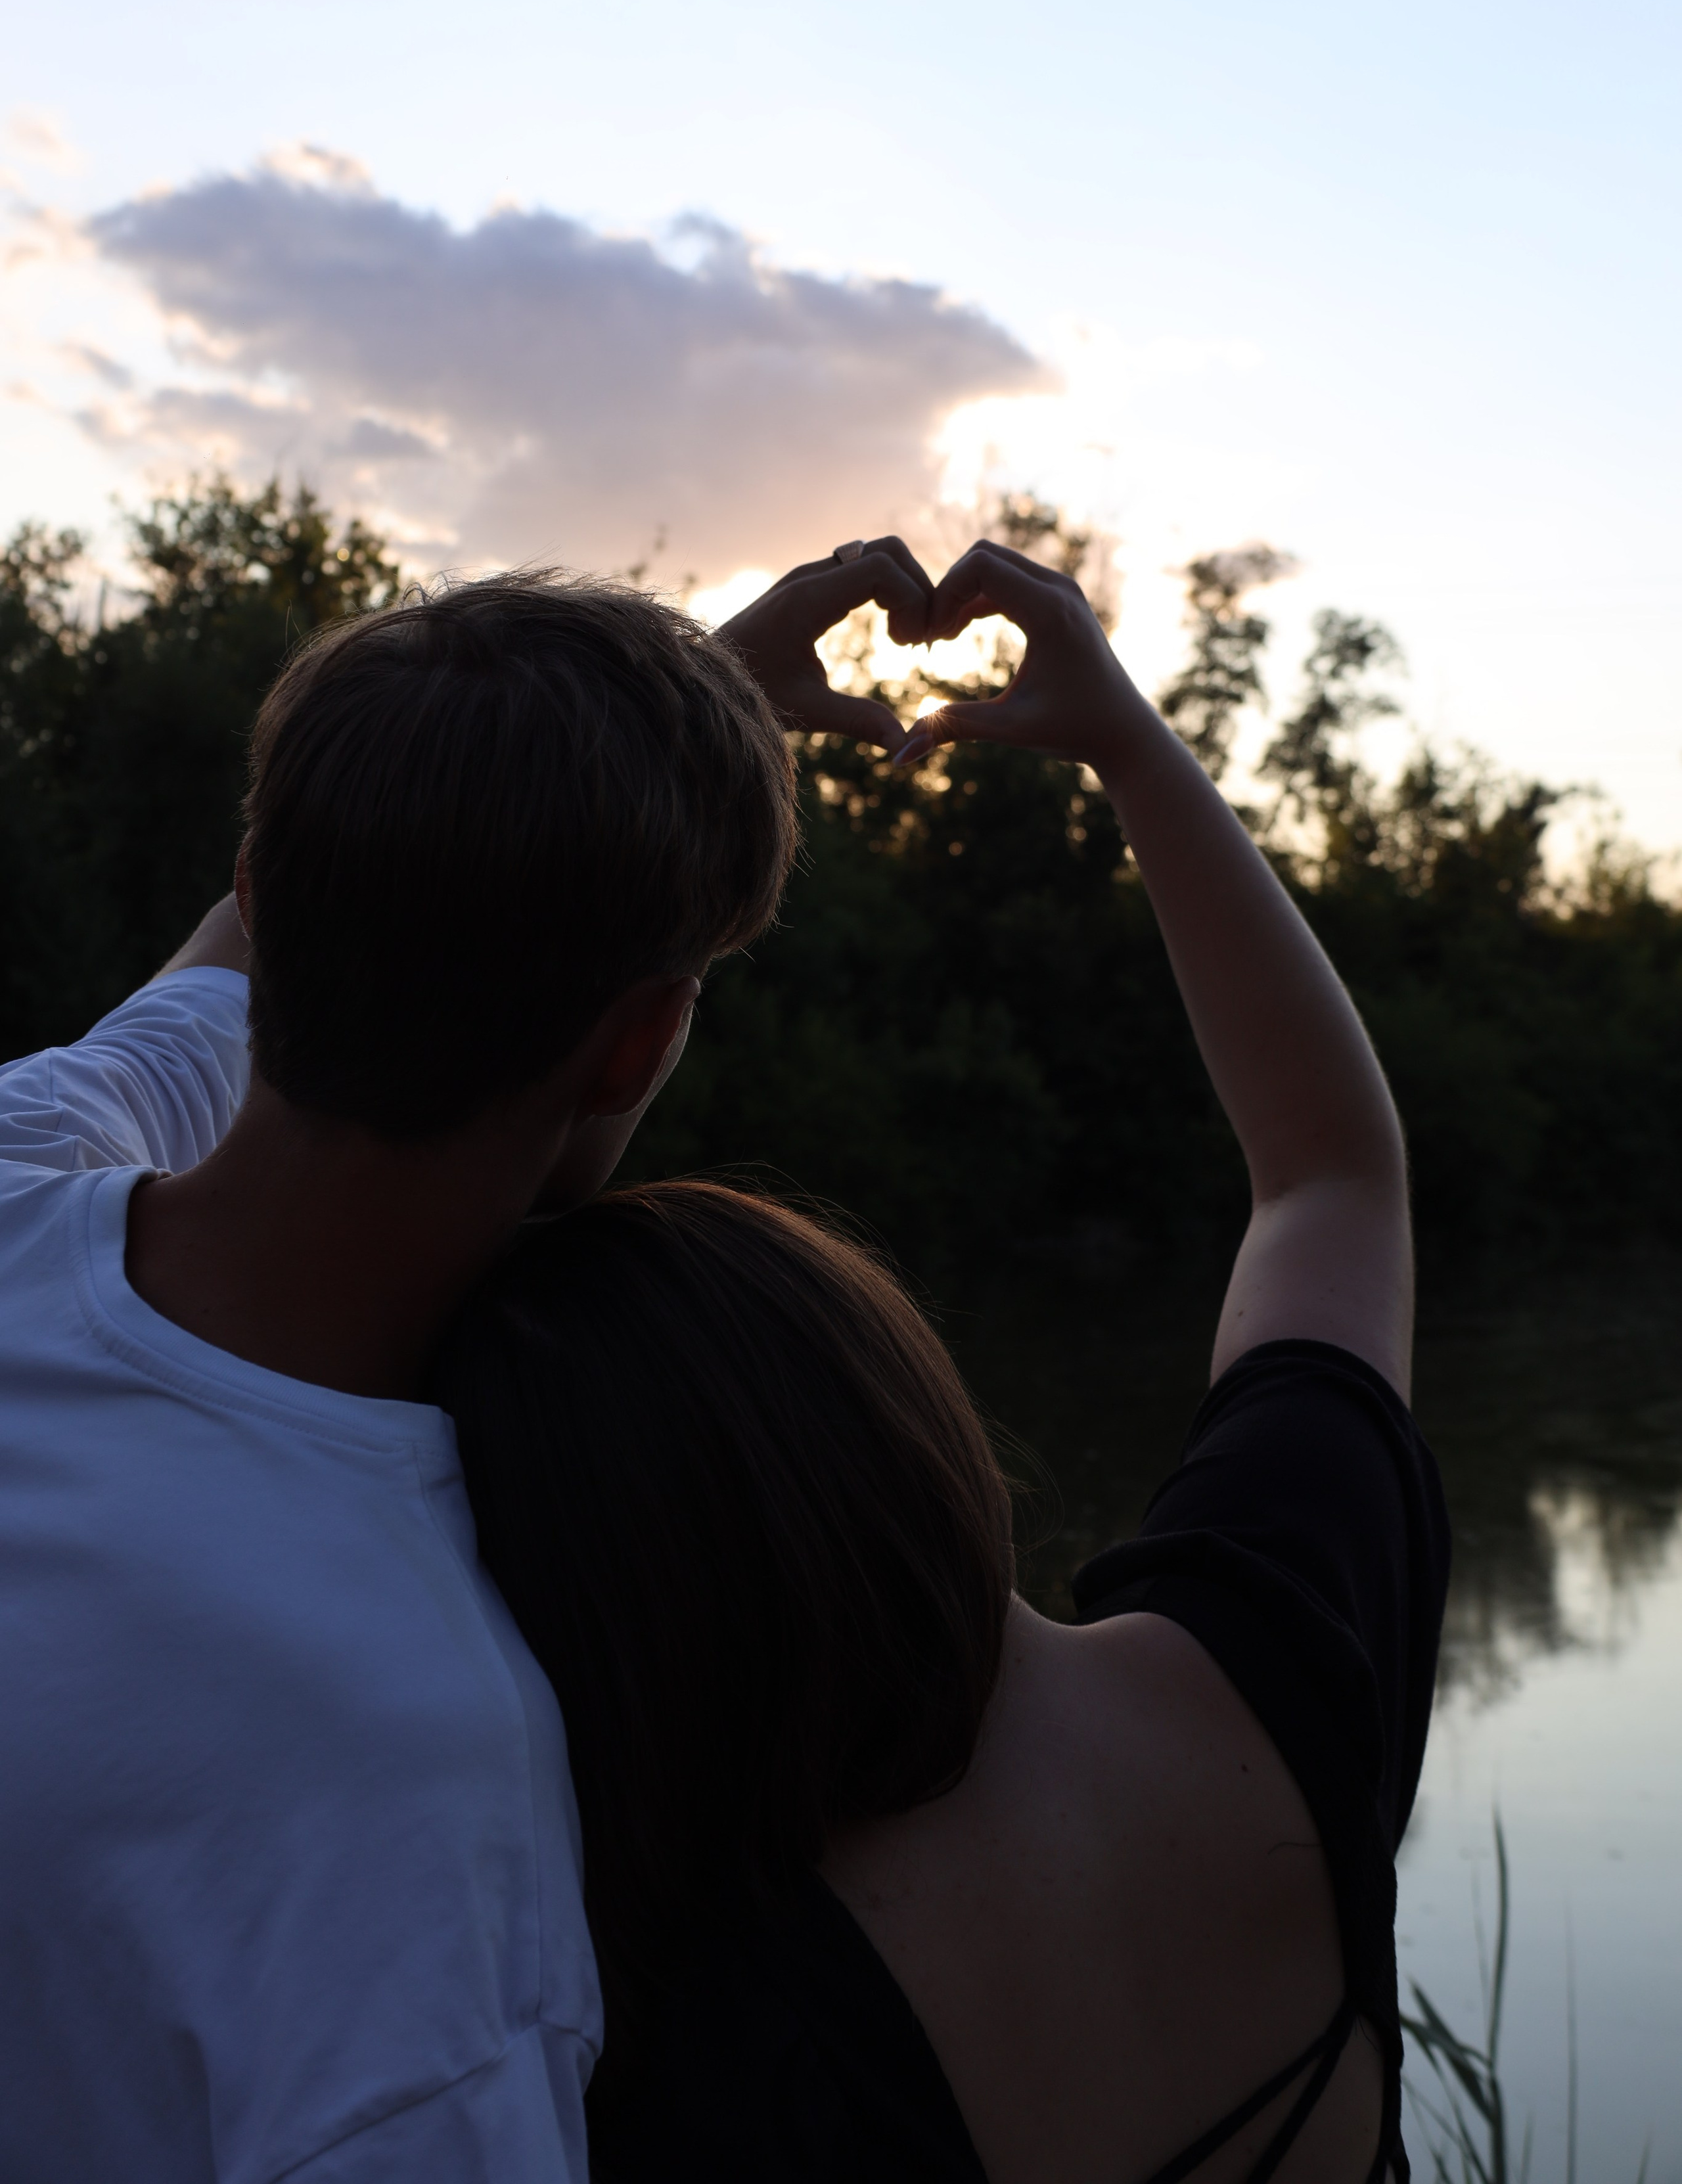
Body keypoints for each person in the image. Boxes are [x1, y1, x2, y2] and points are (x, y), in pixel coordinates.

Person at [440, 539, 1451, 2183]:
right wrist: (1125, 742)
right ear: (899, 1394)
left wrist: (657, 752)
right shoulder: (1272, 1676)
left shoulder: (678, 2021)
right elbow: (1330, 1175)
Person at [0, 544, 929, 2183]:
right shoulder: (418, 1793)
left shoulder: (27, 1156)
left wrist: (644, 729)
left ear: (265, 889)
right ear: (640, 1038)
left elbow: (249, 948)